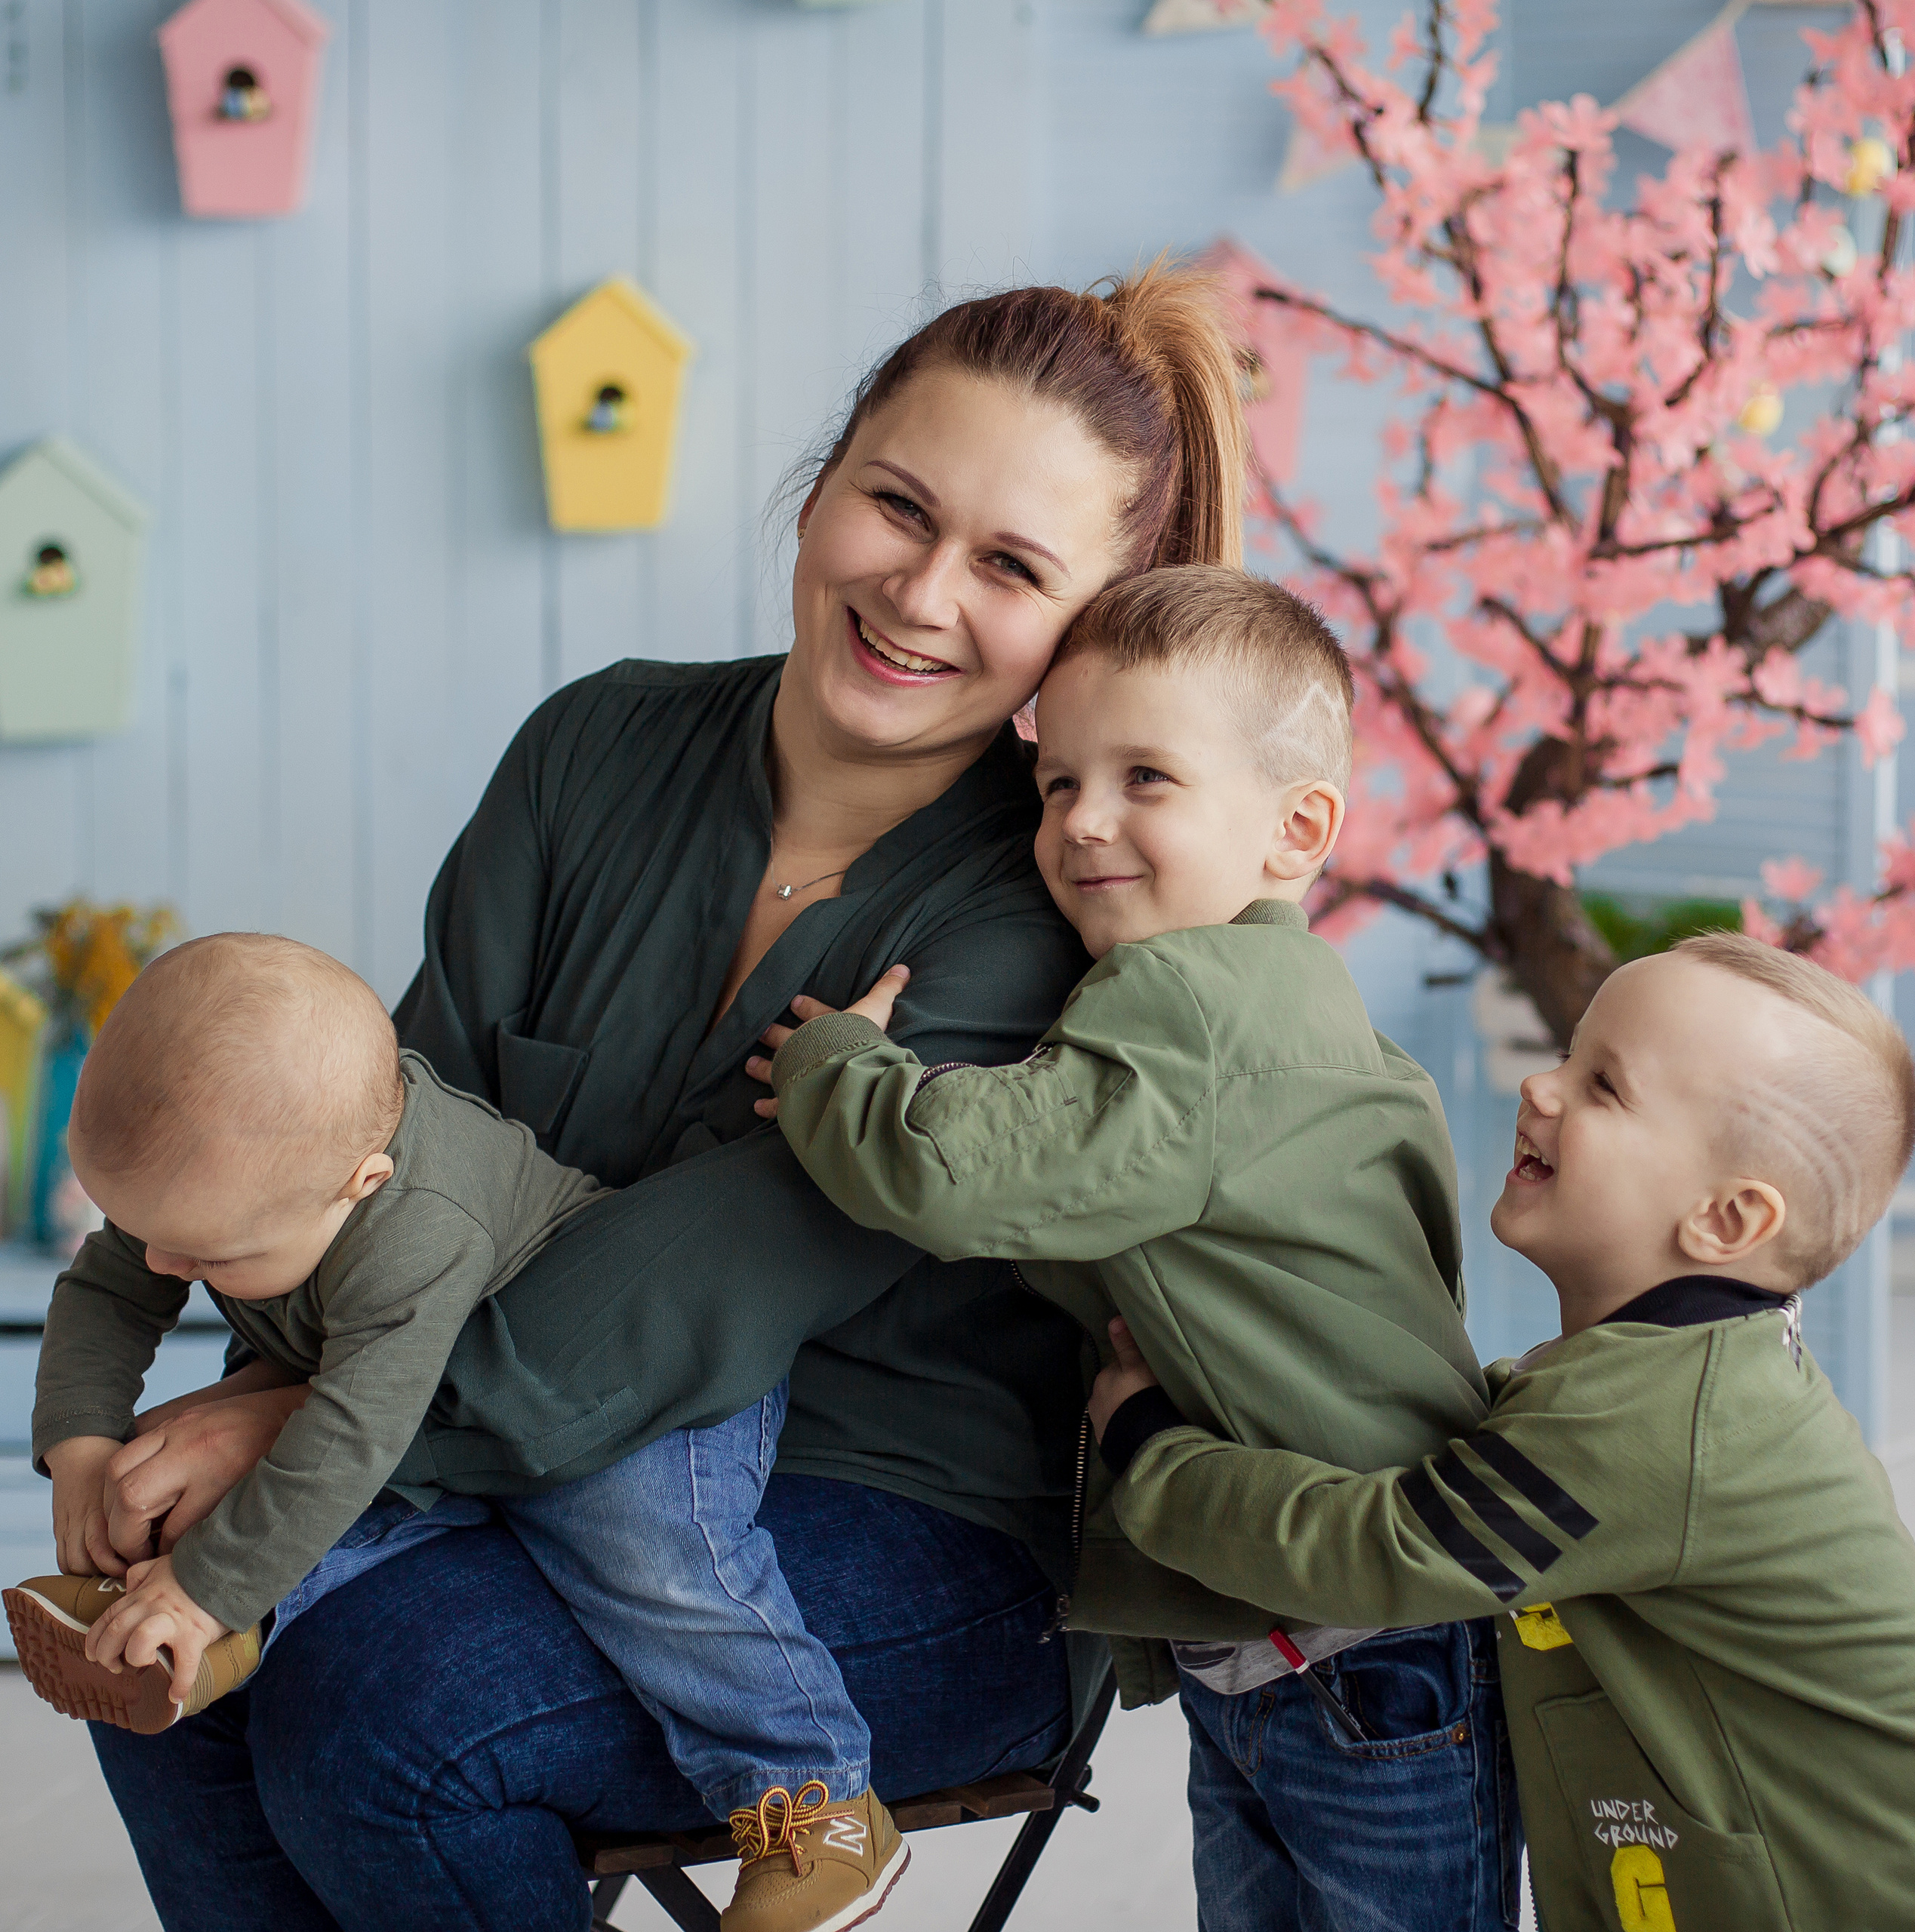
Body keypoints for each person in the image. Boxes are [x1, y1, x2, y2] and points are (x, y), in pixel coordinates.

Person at [74, 266, 1256, 1932]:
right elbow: (366, 1163)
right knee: (165, 1664)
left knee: (384, 1718)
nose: (919, 593)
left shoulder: (1035, 906)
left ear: (1091, 613)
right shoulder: (591, 751)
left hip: (901, 1534)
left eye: (1008, 566)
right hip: (502, 1472)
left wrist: (284, 1435)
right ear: (822, 478)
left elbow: (667, 1302)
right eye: (894, 506)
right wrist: (231, 1440)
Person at [758, 564, 1519, 1931]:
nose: (1084, 821)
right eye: (1059, 783)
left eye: (1147, 780)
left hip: (1346, 1646)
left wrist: (836, 1066)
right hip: (1342, 1638)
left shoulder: (1187, 999)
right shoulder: (1327, 1026)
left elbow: (951, 1175)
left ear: (1296, 831)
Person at [14, 931, 901, 1932]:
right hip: (457, 1410)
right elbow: (105, 1296)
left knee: (645, 1553)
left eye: (211, 1254)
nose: (166, 1264)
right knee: (352, 1522)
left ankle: (814, 1796)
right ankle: (200, 1632)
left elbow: (351, 1436)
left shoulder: (417, 1227)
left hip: (625, 1396)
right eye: (147, 1231)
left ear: (360, 1180)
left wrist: (210, 1573)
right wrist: (82, 1444)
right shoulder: (212, 1186)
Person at [1090, 932, 1915, 1932]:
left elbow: (1377, 1549)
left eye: (1605, 1086)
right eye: (1568, 1053)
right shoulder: (1658, 1377)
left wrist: (1148, 1447)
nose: (1542, 1088)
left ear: (1726, 1220)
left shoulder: (1662, 1424)